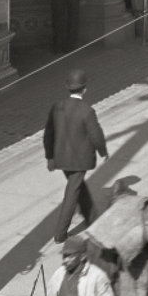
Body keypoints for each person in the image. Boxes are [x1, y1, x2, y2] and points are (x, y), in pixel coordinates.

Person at [42, 68, 108, 243]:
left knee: (78, 188)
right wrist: (102, 151)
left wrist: (50, 156)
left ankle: (93, 218)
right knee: (72, 194)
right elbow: (96, 135)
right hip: (79, 160)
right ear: (84, 88)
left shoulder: (57, 107)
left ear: (68, 87)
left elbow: (48, 134)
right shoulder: (87, 111)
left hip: (61, 158)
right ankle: (60, 233)